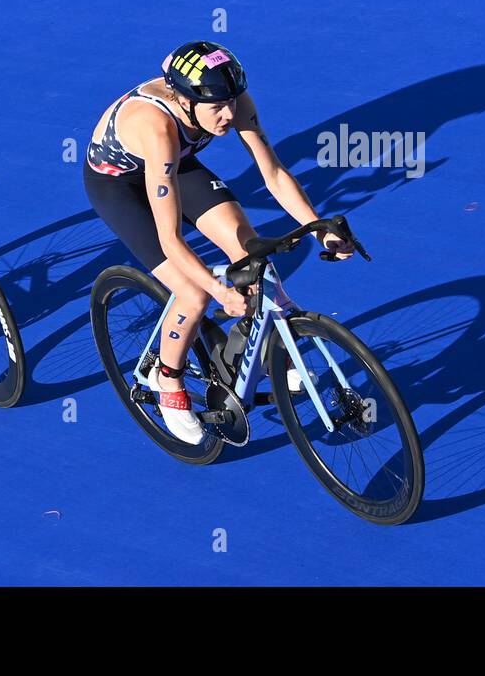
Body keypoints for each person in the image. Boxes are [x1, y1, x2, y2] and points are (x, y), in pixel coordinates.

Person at [84, 40, 353, 443]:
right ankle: (168, 379)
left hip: (178, 165)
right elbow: (170, 239)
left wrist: (319, 226)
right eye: (217, 108)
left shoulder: (233, 101)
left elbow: (274, 174)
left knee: (249, 251)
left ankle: (259, 347)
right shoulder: (156, 127)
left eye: (231, 102)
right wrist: (218, 292)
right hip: (120, 185)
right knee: (192, 293)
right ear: (185, 101)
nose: (228, 116)